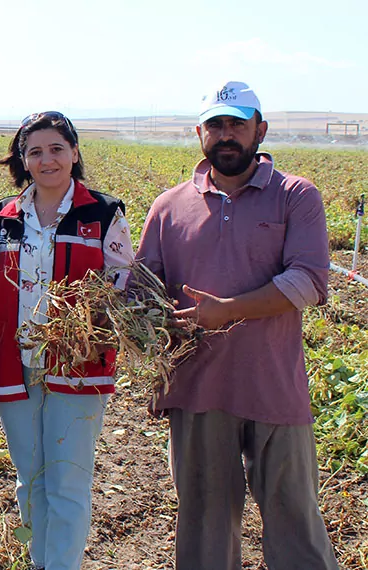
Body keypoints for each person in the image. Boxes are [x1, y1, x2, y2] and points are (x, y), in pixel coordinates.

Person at [136, 81, 338, 570]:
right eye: (216, 125)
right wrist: (142, 315)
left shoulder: (295, 196)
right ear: (200, 133)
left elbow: (308, 281)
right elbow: (142, 285)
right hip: (197, 389)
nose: (226, 135)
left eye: (237, 124)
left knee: (296, 526)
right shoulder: (168, 207)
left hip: (274, 387)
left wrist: (227, 310)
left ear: (259, 130)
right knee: (205, 527)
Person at [0, 111, 134, 570]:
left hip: (78, 366)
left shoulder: (103, 213)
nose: (47, 160)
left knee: (68, 482)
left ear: (75, 153)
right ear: (23, 160)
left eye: (57, 149)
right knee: (30, 480)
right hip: (12, 363)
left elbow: (124, 290)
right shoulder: (1, 218)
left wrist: (88, 328)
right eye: (35, 151)